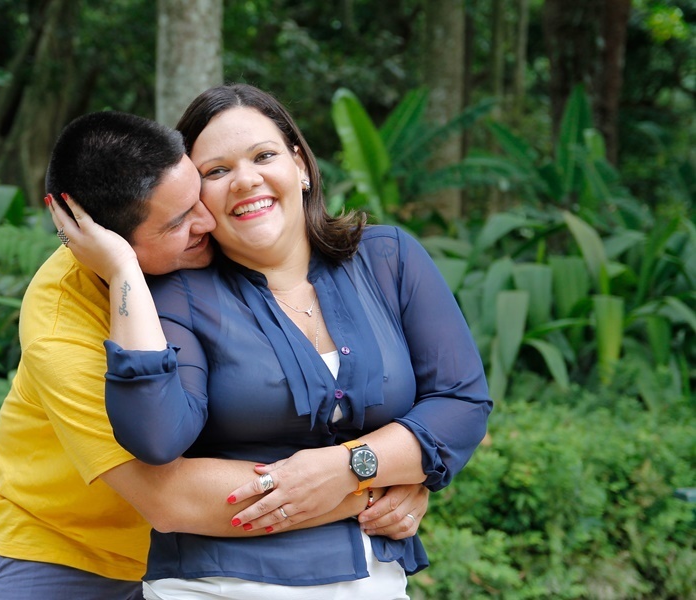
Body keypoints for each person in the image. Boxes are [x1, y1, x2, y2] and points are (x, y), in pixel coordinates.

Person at [53, 84, 492, 599]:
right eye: (216, 171)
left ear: (300, 165)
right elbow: (156, 438)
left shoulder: (387, 259)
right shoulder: (178, 292)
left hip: (374, 582)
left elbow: (461, 401)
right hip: (213, 585)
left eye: (263, 155)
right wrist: (126, 270)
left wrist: (349, 466)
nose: (245, 180)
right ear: (196, 194)